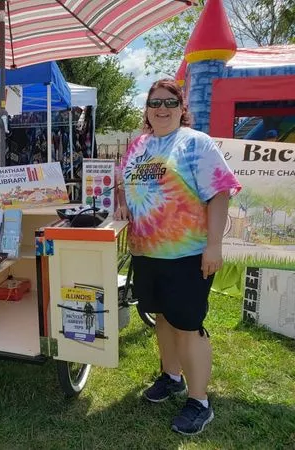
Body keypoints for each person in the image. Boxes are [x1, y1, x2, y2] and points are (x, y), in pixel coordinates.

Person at [114, 79, 241, 436]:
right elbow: (124, 182)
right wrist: (123, 204)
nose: (162, 109)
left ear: (181, 107)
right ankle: (172, 377)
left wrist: (213, 245)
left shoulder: (195, 143)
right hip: (147, 252)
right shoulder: (139, 145)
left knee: (187, 326)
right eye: (156, 103)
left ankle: (200, 401)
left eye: (170, 103)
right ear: (147, 108)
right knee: (162, 318)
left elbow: (219, 193)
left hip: (187, 254)